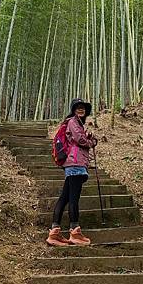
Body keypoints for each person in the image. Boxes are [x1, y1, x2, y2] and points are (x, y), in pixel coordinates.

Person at [46, 99, 98, 246]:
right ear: (73, 110)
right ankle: (75, 232)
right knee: (73, 198)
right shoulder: (73, 122)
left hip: (74, 163)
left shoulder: (76, 123)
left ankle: (54, 232)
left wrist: (87, 137)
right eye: (78, 108)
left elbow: (77, 138)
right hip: (75, 163)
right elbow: (79, 139)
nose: (81, 110)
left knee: (65, 198)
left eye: (83, 108)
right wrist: (91, 142)